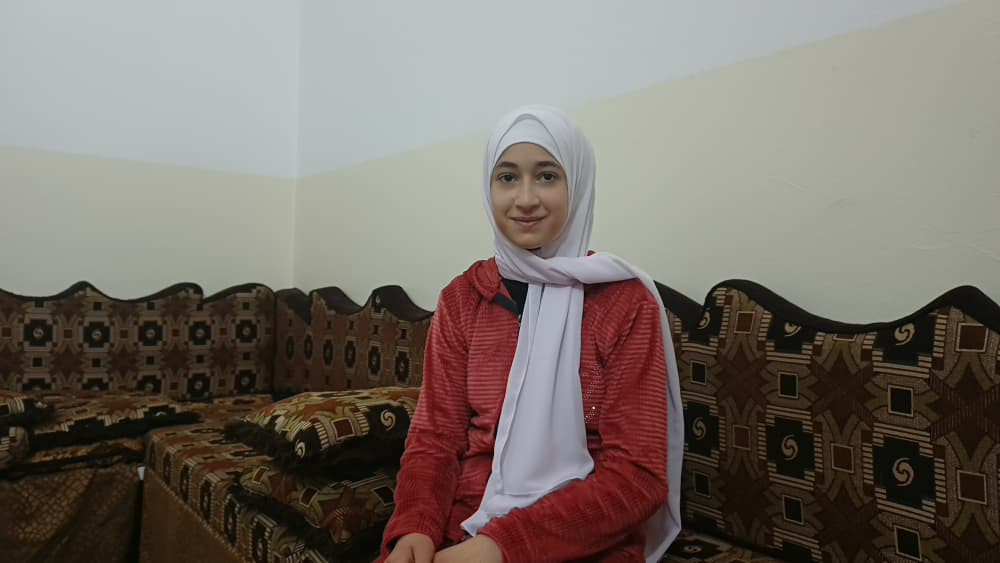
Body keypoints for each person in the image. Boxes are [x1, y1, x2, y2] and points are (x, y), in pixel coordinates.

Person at [381, 106, 683, 563]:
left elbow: (637, 477)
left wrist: (501, 547)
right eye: (507, 177)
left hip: (582, 543)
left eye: (546, 176)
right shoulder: (463, 299)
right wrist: (415, 528)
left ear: (577, 183)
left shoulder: (623, 303)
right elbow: (435, 438)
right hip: (462, 525)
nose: (525, 199)